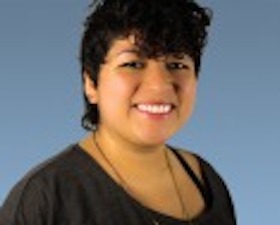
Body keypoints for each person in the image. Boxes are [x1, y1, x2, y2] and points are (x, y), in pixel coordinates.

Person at [0, 0, 237, 224]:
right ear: (91, 83)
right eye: (132, 64)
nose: (160, 85)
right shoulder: (46, 198)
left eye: (177, 65)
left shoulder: (208, 182)